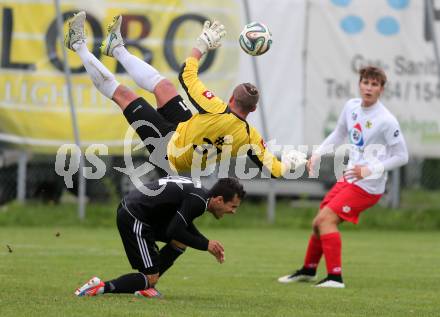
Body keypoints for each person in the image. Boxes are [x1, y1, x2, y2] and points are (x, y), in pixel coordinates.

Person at [64, 12, 307, 177]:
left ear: (232, 99)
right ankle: (116, 48)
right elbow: (274, 170)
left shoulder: (216, 108)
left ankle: (77, 44)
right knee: (164, 88)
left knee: (124, 94)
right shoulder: (249, 136)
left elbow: (187, 75)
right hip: (185, 132)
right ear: (252, 110)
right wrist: (290, 165)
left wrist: (201, 46)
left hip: (168, 152)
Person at [278, 66, 408, 288]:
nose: (369, 87)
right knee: (318, 222)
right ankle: (308, 270)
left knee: (326, 220)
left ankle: (335, 278)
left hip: (368, 186)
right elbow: (339, 134)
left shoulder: (386, 120)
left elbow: (402, 156)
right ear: (359, 84)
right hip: (349, 178)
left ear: (381, 90)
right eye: (365, 82)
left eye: (374, 84)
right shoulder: (351, 107)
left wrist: (370, 169)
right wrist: (318, 153)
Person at [74, 176, 245, 298]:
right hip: (135, 216)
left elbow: (181, 225)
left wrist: (207, 244)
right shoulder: (199, 201)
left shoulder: (200, 195)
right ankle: (102, 286)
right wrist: (206, 245)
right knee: (150, 277)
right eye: (233, 206)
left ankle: (147, 285)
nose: (234, 212)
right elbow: (174, 230)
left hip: (141, 213)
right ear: (219, 200)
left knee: (180, 242)